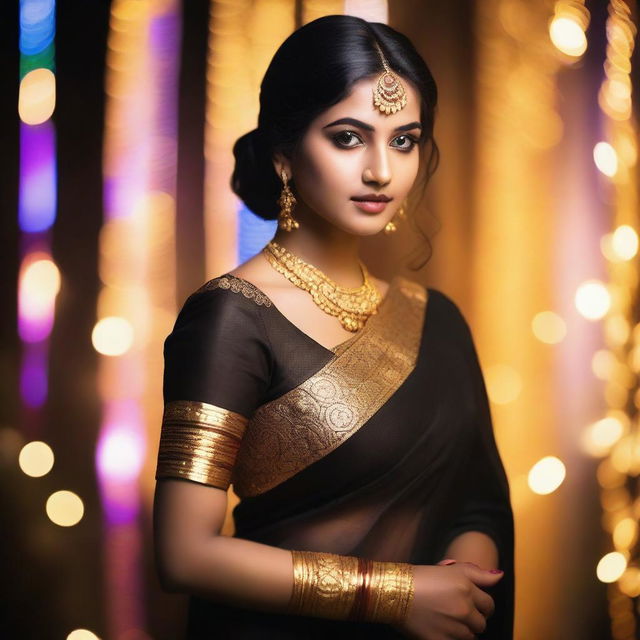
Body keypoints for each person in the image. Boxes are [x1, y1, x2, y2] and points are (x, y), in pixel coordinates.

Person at [153, 14, 515, 640]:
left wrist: (461, 587)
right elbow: (183, 554)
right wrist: (398, 595)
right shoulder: (230, 319)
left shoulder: (439, 321)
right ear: (284, 153)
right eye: (349, 138)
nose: (381, 170)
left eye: (404, 140)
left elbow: (478, 502)